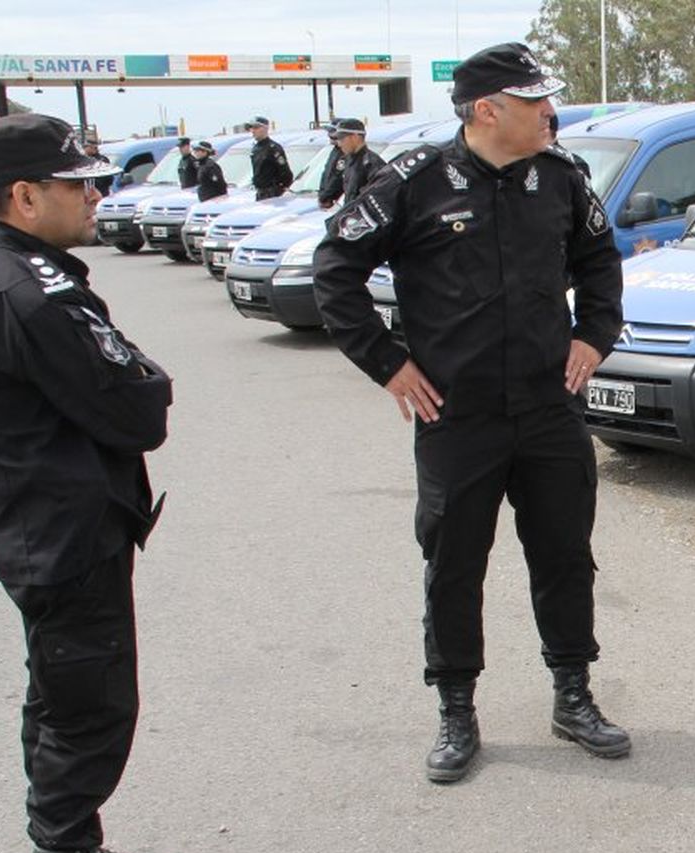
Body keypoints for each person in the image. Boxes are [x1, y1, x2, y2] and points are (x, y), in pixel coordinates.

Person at [312, 42, 630, 783]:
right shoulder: (414, 182)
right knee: (454, 564)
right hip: (459, 418)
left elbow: (599, 260)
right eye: (534, 101)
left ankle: (573, 695)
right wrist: (389, 365)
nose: (549, 112)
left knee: (564, 555)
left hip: (550, 410)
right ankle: (457, 709)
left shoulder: (559, 177)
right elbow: (336, 271)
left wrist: (593, 334)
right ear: (488, 110)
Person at [0, 114, 174, 853]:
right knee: (87, 708)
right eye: (77, 184)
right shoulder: (27, 291)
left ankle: (77, 852)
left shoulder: (11, 271)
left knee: (60, 695)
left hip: (45, 521)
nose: (95, 195)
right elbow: (137, 403)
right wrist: (148, 379)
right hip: (60, 530)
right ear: (24, 196)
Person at [318, 117, 386, 210]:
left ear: (355, 137)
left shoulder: (372, 164)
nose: (339, 144)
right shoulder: (348, 161)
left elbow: (380, 201)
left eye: (342, 139)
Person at [245, 115, 293, 200]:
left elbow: (286, 172)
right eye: (251, 128)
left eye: (256, 127)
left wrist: (280, 188)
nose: (252, 131)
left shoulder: (273, 148)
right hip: (260, 192)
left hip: (272, 192)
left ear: (265, 128)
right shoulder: (255, 149)